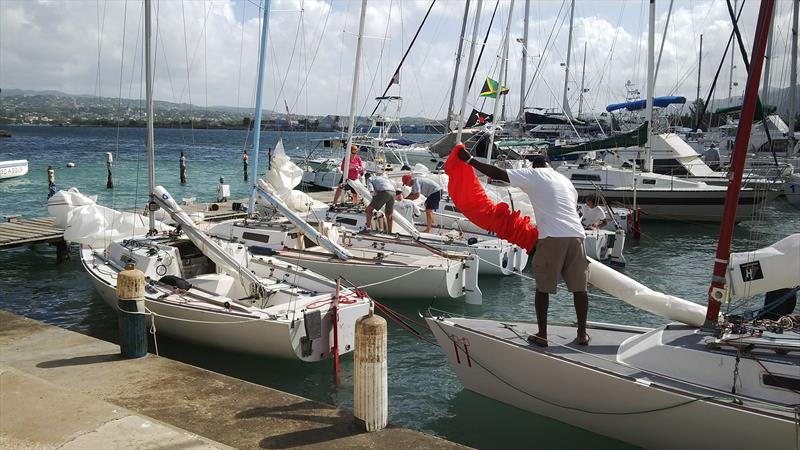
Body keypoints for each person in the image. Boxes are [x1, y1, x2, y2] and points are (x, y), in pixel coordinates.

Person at [458, 147, 590, 346]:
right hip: (578, 236)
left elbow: (498, 174)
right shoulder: (565, 181)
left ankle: (542, 335)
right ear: (549, 165)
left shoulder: (535, 174)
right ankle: (582, 334)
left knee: (543, 288)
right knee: (580, 289)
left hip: (552, 237)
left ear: (535, 167)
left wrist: (470, 161)